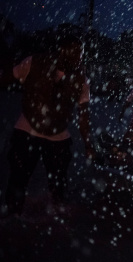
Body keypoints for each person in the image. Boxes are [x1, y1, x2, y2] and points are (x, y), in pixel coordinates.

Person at [1, 34, 94, 218]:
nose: (79, 58)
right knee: (18, 179)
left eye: (81, 54)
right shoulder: (33, 62)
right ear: (61, 51)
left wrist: (88, 144)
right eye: (75, 53)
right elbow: (6, 78)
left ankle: (57, 219)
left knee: (59, 184)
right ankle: (14, 217)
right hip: (27, 129)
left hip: (58, 136)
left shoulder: (81, 80)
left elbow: (84, 117)